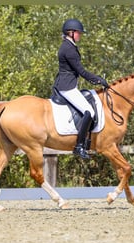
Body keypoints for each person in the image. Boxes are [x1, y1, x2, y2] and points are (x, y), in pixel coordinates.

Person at [53, 18, 109, 159]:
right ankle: (79, 146)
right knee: (89, 111)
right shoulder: (68, 49)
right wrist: (98, 80)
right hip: (67, 86)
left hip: (67, 84)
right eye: (78, 33)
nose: (80, 35)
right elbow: (81, 71)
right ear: (70, 33)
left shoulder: (68, 46)